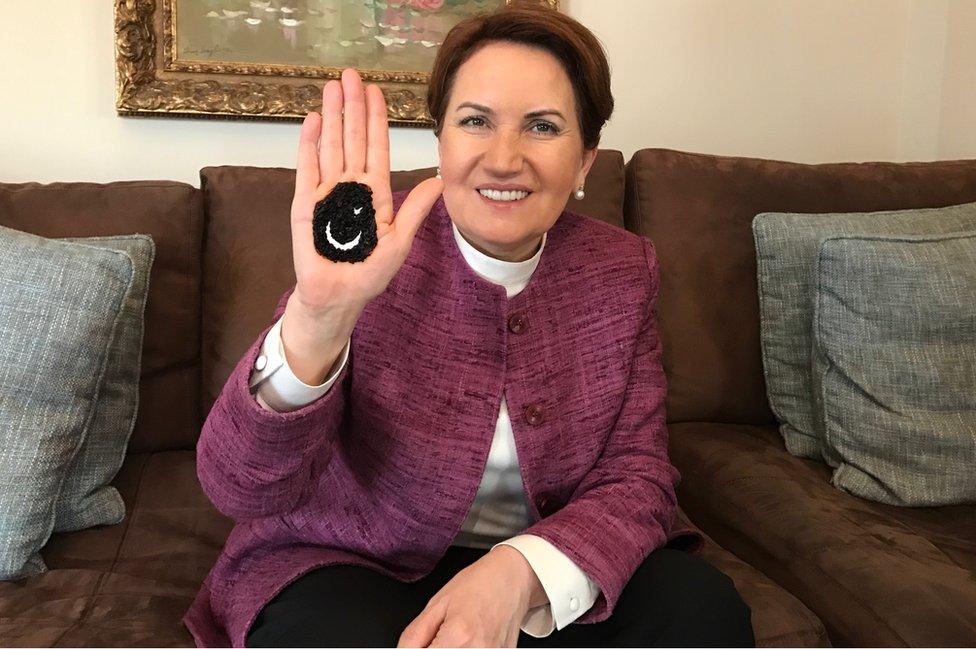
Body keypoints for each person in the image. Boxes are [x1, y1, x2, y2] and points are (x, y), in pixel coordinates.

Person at [181, 2, 755, 647]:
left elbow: (637, 473)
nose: (504, 158)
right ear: (441, 139)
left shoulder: (622, 269)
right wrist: (321, 317)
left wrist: (521, 572)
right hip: (351, 560)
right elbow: (237, 488)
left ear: (586, 160)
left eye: (542, 126)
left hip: (546, 562)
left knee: (702, 611)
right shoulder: (367, 243)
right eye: (475, 121)